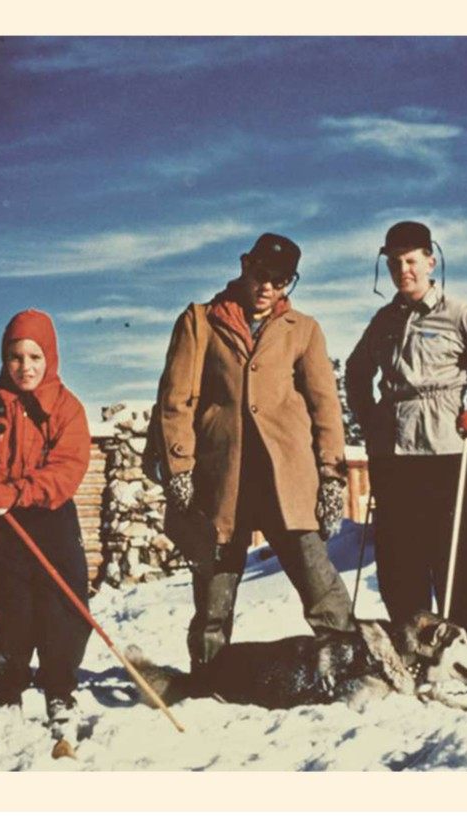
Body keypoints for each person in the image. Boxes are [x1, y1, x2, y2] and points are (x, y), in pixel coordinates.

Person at [156, 232, 355, 681]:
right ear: (245, 265)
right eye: (261, 274)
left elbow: (325, 406)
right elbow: (175, 400)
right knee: (214, 588)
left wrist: (331, 475)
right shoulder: (200, 321)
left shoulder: (303, 329)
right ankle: (208, 675)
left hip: (287, 477)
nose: (268, 287)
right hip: (221, 478)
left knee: (318, 580)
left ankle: (349, 664)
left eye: (281, 280)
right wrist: (180, 466)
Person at [345, 221, 467, 645]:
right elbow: (356, 371)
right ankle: (413, 646)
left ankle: (461, 649)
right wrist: (370, 418)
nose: (403, 270)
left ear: (430, 261)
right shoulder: (384, 320)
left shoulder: (458, 313)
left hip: (445, 450)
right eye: (394, 263)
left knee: (455, 558)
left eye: (411, 261)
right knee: (398, 559)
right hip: (393, 455)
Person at [0, 309, 92, 733]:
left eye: (34, 357)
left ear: (50, 356)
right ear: (4, 358)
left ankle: (59, 692)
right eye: (15, 357)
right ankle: (6, 694)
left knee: (62, 608)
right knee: (14, 609)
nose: (25, 367)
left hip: (52, 518)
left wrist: (18, 491)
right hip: (6, 523)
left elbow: (67, 468)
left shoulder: (67, 408)